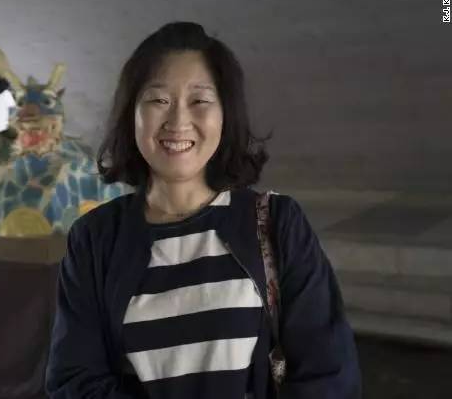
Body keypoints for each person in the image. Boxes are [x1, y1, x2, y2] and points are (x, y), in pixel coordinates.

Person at [44, 21, 361, 399]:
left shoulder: (277, 223)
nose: (178, 122)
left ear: (225, 114)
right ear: (132, 115)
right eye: (158, 100)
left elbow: (328, 375)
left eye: (199, 101)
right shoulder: (94, 239)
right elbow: (74, 380)